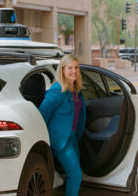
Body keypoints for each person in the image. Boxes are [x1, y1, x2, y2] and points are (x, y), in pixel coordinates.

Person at [39, 54, 86, 196]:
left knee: (74, 173)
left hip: (72, 137)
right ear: (63, 70)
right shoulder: (57, 90)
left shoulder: (76, 90)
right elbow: (42, 115)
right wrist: (44, 141)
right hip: (60, 140)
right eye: (70, 68)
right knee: (75, 174)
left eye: (76, 67)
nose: (74, 71)